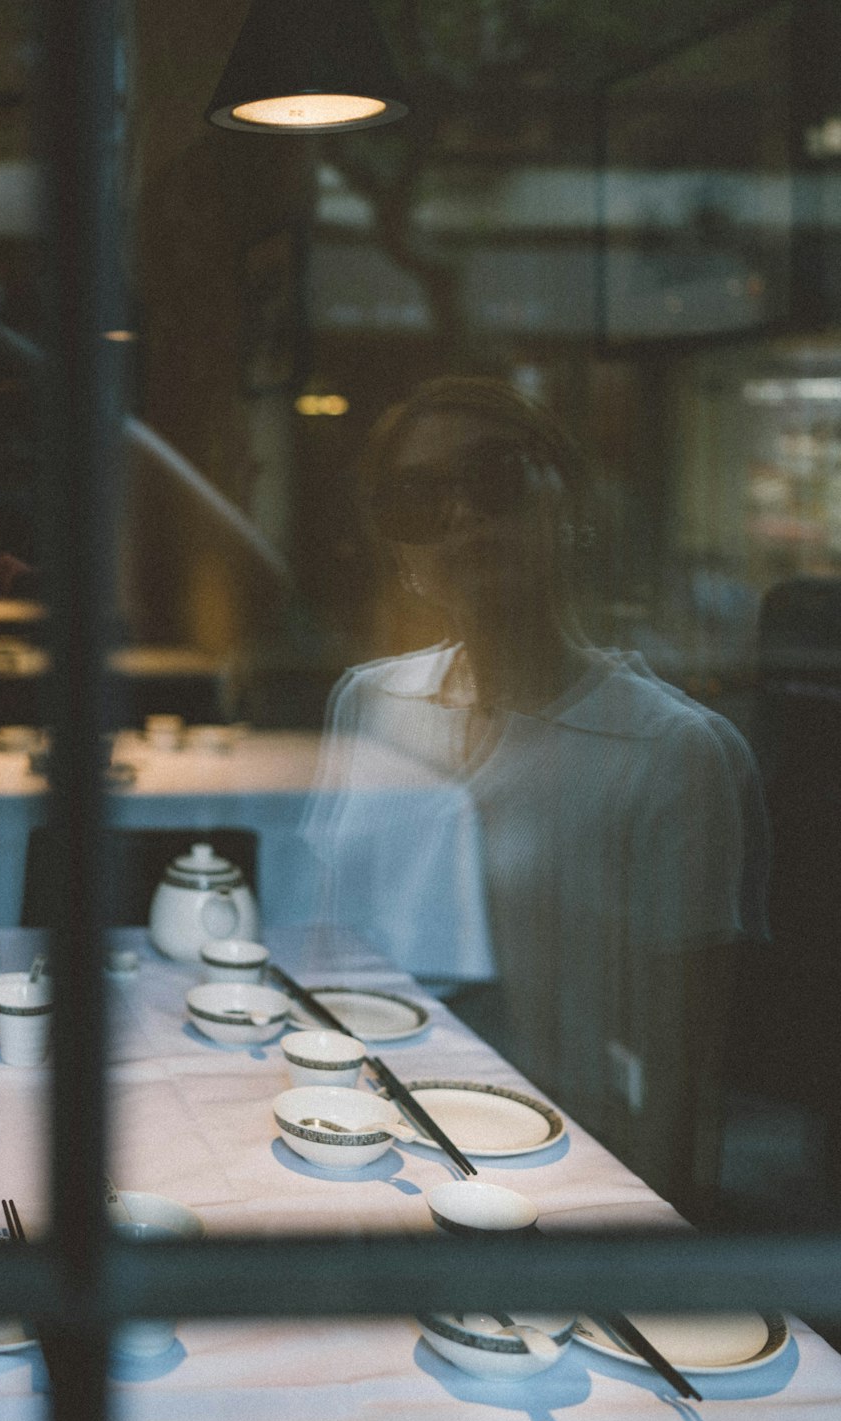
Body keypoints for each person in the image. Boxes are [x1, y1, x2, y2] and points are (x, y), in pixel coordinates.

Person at [301, 376, 769, 1214]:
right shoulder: (370, 703)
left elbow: (679, 1079)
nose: (463, 517)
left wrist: (644, 1258)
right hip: (357, 1150)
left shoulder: (670, 754)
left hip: (552, 1188)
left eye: (496, 478)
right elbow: (327, 956)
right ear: (397, 546)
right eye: (417, 498)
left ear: (565, 502)